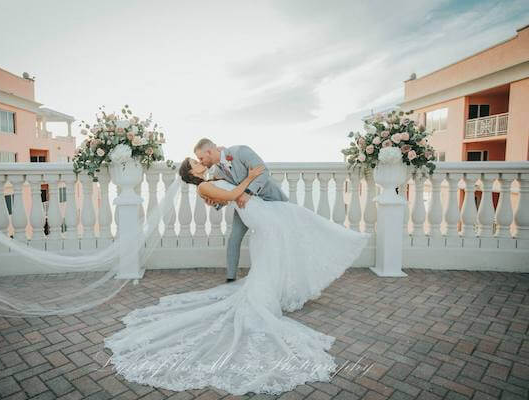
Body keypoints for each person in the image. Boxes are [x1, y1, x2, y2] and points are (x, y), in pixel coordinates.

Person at [103, 157, 372, 395]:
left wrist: (242, 184)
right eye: (195, 162)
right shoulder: (202, 187)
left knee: (294, 224)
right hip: (256, 214)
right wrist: (250, 178)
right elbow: (232, 196)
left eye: (198, 159)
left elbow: (230, 191)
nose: (199, 162)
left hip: (260, 209)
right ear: (191, 172)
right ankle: (268, 295)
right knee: (277, 241)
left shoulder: (211, 179)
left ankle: (285, 285)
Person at [193, 138, 288, 282]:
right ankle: (230, 278)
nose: (201, 162)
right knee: (234, 239)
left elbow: (263, 172)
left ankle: (282, 273)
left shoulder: (240, 151)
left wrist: (248, 192)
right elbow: (228, 195)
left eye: (201, 158)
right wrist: (214, 203)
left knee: (280, 236)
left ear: (209, 151)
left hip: (270, 199)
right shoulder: (217, 172)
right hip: (246, 207)